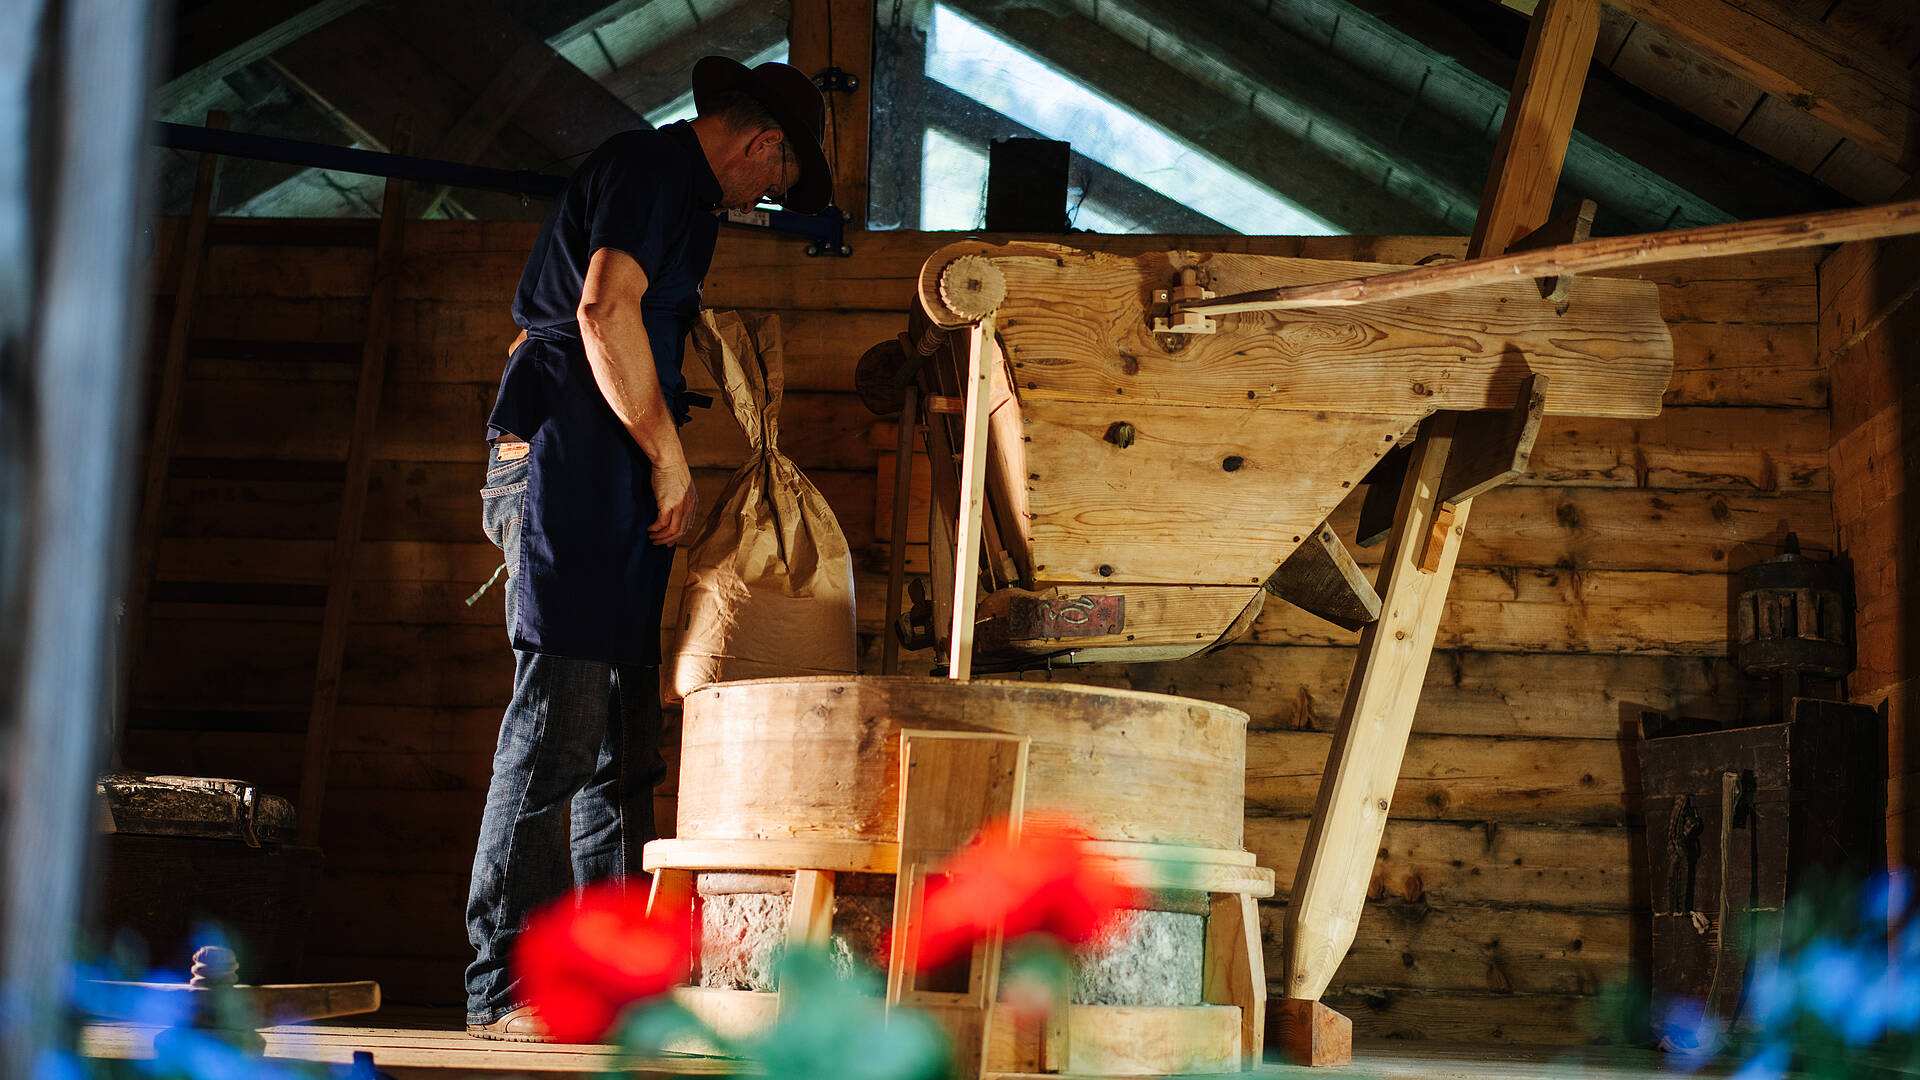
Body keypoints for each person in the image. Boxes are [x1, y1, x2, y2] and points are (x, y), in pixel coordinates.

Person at [463, 56, 832, 1041]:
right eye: (774, 180)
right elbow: (599, 308)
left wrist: (660, 461)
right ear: (762, 142)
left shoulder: (686, 202)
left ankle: (612, 989)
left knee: (622, 750)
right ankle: (503, 989)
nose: (764, 197)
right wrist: (669, 453)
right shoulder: (650, 170)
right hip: (571, 466)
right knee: (556, 733)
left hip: (611, 474)